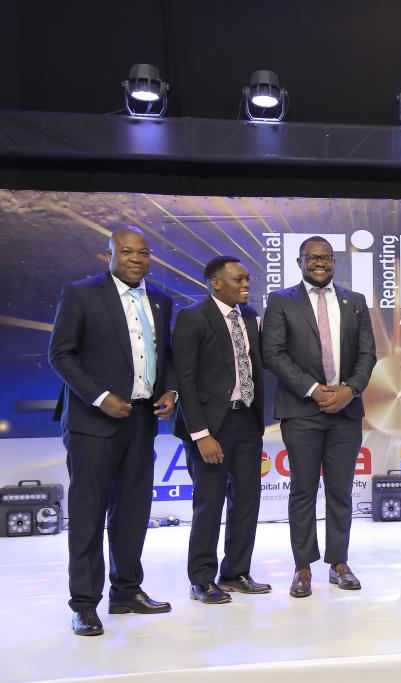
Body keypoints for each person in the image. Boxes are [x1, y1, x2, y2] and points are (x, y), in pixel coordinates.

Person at [49, 228, 177, 637]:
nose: (136, 259)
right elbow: (61, 354)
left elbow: (165, 354)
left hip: (141, 421)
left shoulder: (160, 299)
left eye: (143, 253)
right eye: (127, 252)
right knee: (88, 515)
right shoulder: (81, 293)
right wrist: (100, 396)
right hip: (93, 423)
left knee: (133, 512)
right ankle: (85, 605)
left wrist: (170, 389)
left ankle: (126, 591)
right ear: (109, 254)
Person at [262, 235, 377, 598]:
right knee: (303, 490)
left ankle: (338, 563)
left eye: (325, 257)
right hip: (301, 411)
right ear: (299, 262)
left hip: (346, 411)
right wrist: (314, 390)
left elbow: (367, 353)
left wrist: (350, 390)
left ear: (333, 261)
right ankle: (302, 567)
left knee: (341, 491)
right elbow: (274, 354)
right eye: (312, 258)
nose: (320, 263)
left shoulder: (354, 301)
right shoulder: (281, 300)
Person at [172, 256, 270, 604]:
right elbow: (185, 378)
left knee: (246, 501)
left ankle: (235, 572)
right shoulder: (192, 317)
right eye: (238, 279)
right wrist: (200, 434)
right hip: (211, 426)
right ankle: (201, 579)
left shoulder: (250, 317)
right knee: (209, 504)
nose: (246, 284)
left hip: (247, 420)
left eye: (247, 279)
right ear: (215, 282)